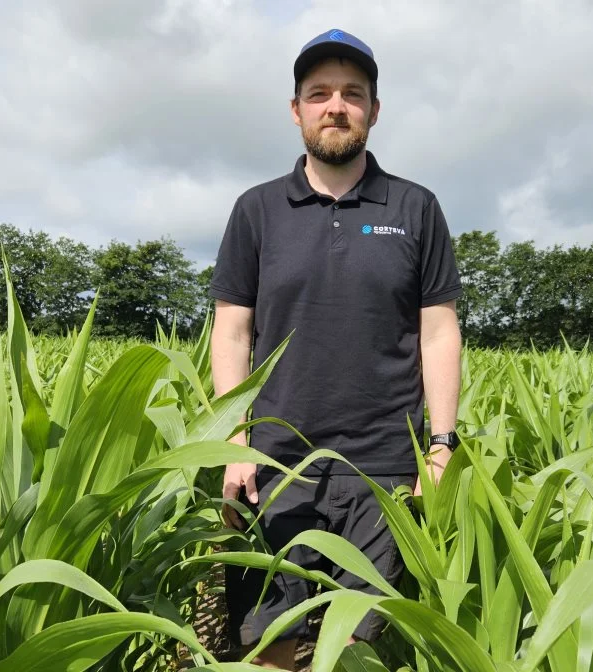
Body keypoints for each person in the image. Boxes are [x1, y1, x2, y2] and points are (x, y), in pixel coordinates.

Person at [207, 28, 463, 670]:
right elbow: (232, 330)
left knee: (356, 649)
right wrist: (232, 440)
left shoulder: (415, 207)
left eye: (353, 93)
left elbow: (438, 331)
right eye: (318, 93)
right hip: (276, 465)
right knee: (270, 642)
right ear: (296, 110)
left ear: (374, 110)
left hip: (384, 468)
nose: (336, 105)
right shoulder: (257, 210)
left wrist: (441, 446)